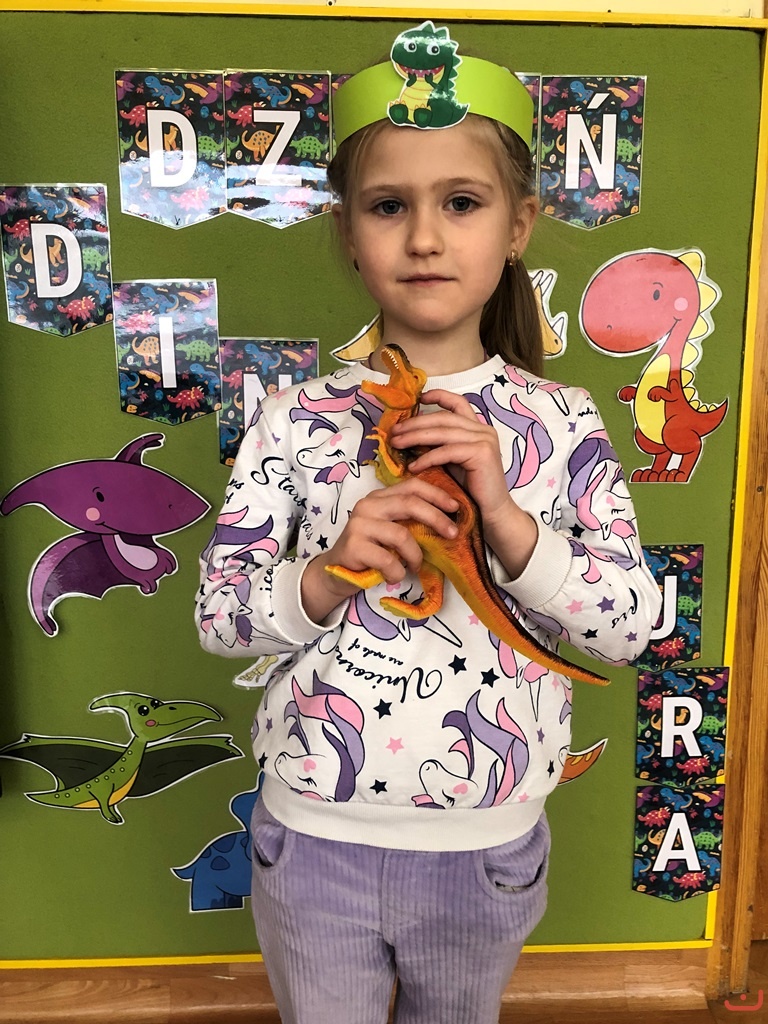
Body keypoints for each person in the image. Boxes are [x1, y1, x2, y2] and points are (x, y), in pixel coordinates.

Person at [196, 20, 662, 1024]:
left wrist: (506, 518)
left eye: (461, 202)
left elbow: (630, 628)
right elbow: (220, 619)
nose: (423, 237)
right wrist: (325, 574)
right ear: (348, 231)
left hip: (483, 851)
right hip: (311, 841)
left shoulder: (564, 423)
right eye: (387, 206)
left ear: (518, 224)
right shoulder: (293, 417)